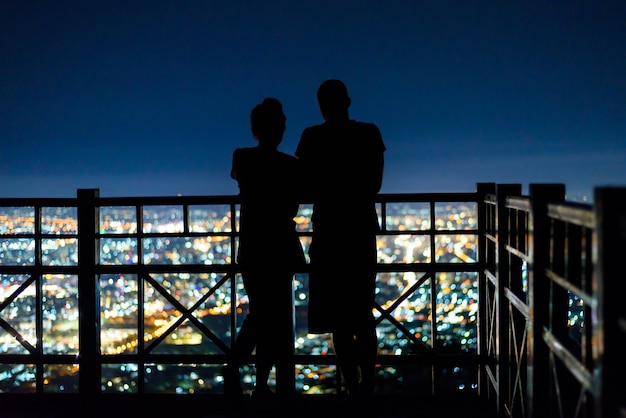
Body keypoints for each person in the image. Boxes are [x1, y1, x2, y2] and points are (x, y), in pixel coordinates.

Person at [295, 79, 386, 402]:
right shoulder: (369, 134)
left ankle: (351, 388)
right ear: (348, 100)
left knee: (339, 319)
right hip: (359, 230)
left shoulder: (312, 137)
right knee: (362, 313)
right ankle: (367, 383)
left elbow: (302, 185)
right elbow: (374, 183)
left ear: (322, 105)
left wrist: (327, 185)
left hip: (329, 231)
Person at [226, 98, 305, 400]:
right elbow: (294, 200)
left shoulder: (242, 158)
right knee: (273, 318)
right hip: (280, 245)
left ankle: (240, 371)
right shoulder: (290, 165)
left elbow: (239, 179)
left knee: (261, 313)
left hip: (253, 244)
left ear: (255, 129)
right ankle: (255, 379)